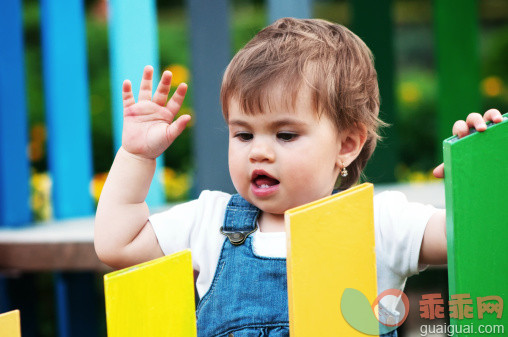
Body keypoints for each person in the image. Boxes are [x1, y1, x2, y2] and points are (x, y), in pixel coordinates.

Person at [94, 17, 504, 337]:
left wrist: (483, 179)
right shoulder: (210, 224)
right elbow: (118, 242)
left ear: (346, 145)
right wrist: (136, 155)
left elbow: (476, 238)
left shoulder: (378, 224)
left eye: (285, 134)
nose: (259, 150)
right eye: (243, 133)